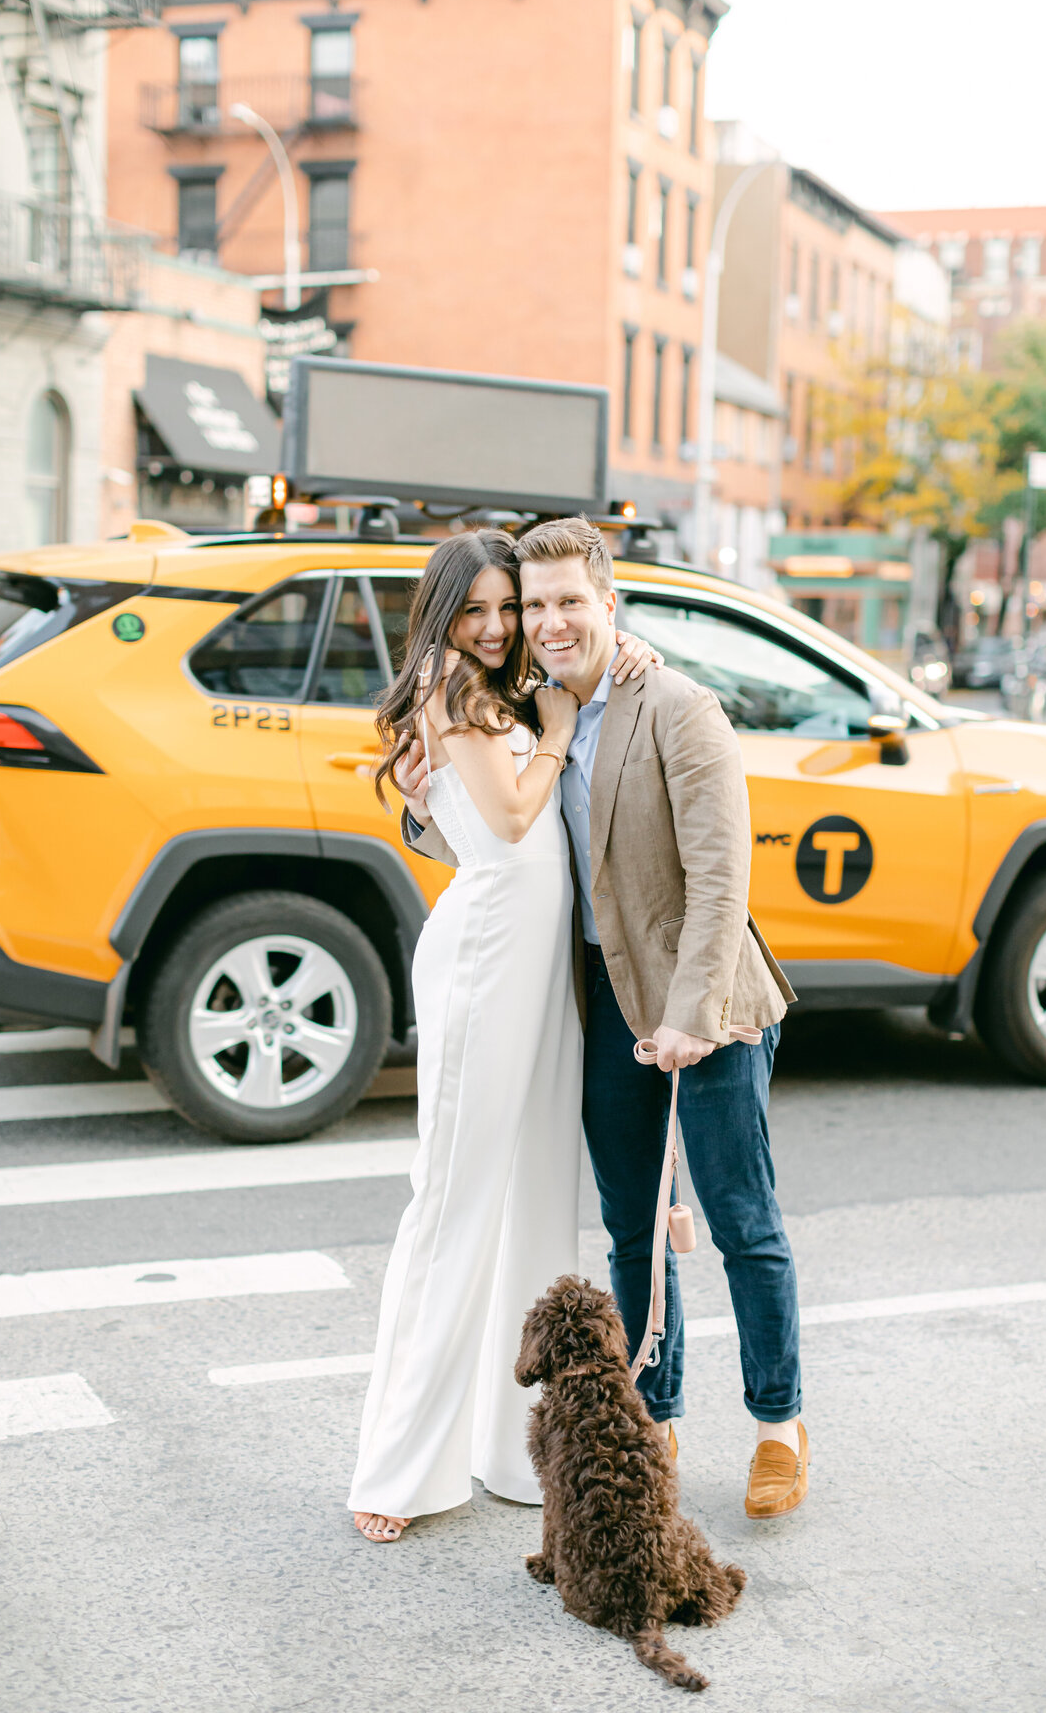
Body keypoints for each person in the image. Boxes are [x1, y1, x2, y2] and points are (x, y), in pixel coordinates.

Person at [402, 517, 806, 1521]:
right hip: (601, 1006)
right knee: (629, 1230)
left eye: (567, 603)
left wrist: (693, 1016)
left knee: (739, 1219)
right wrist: (417, 802)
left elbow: (721, 881)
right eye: (533, 608)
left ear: (608, 604)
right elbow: (493, 828)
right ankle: (651, 1413)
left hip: (705, 1008)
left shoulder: (676, 706)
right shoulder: (526, 704)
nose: (547, 622)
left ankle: (778, 1424)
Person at [349, 530, 660, 1543]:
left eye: (507, 608)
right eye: (474, 607)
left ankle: (501, 1447)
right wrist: (561, 732)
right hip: (487, 956)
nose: (494, 626)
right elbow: (514, 813)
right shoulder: (451, 682)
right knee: (450, 1206)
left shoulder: (498, 687)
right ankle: (394, 1466)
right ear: (442, 613)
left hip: (537, 964)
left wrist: (629, 658)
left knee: (533, 1195)